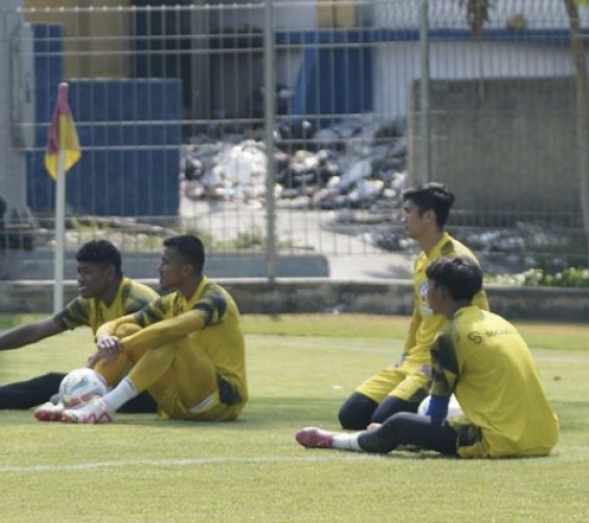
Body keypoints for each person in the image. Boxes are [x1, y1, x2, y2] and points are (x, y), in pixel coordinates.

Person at [297, 257, 558, 458]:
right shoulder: (500, 322)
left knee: (399, 422)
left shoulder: (449, 336)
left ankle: (331, 439)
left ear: (441, 292)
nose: (425, 294)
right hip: (544, 436)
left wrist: (405, 435)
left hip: (502, 441)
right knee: (435, 415)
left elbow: (436, 413)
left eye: (428, 287)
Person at [45, 235, 248, 425]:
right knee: (126, 328)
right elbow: (117, 324)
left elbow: (170, 330)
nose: (159, 268)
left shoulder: (216, 299)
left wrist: (122, 345)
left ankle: (105, 406)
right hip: (177, 403)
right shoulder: (171, 301)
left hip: (220, 401)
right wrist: (104, 338)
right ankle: (80, 402)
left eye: (165, 262)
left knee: (172, 338)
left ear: (186, 270)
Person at [0, 239, 159, 411]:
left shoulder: (136, 302)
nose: (80, 279)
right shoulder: (88, 303)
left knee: (68, 390)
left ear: (109, 273)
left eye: (87, 272)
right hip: (113, 381)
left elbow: (136, 357)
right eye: (78, 271)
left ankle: (71, 402)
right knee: (51, 382)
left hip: (150, 389)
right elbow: (35, 331)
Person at [336, 182, 486, 430]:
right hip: (412, 361)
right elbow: (419, 314)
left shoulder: (457, 259)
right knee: (351, 415)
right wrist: (405, 355)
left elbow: (479, 317)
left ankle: (442, 419)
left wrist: (449, 366)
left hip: (435, 365)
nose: (402, 218)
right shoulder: (422, 259)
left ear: (429, 217)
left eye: (407, 211)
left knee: (381, 421)